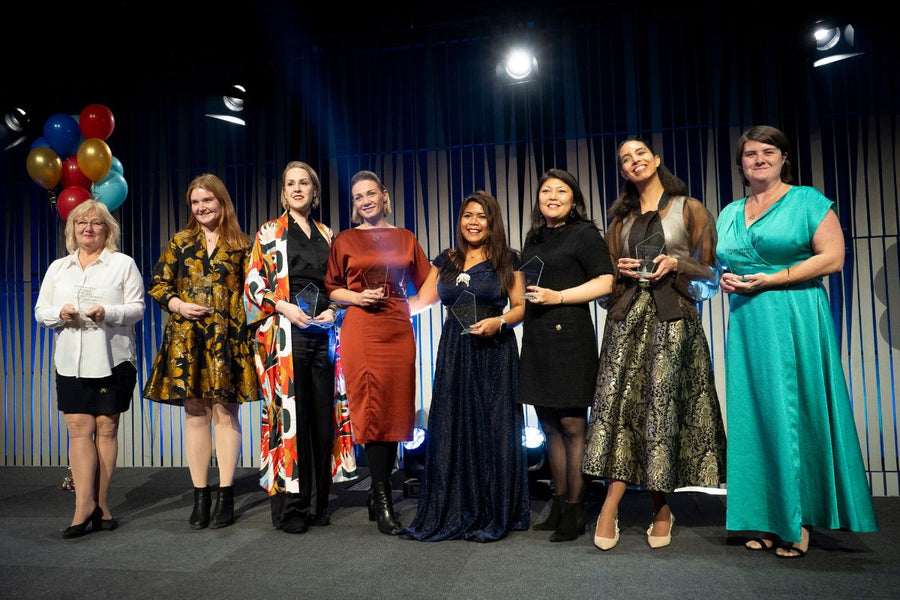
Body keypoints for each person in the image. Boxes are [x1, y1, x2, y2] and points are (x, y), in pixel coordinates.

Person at [717, 125, 878, 558]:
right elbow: (725, 263)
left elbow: (833, 257)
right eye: (750, 153)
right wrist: (727, 281)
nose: (759, 159)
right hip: (748, 323)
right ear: (741, 163)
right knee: (756, 418)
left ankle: (798, 520)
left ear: (784, 157)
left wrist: (773, 279)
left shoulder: (807, 201)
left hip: (795, 316)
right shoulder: (729, 212)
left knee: (795, 412)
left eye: (769, 151)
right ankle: (766, 517)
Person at [581, 139, 727, 551]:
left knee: (660, 412)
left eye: (640, 152)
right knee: (619, 407)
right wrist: (621, 270)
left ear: (656, 159)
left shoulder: (690, 208)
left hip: (674, 320)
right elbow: (607, 284)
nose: (634, 160)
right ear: (623, 172)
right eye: (625, 158)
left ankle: (662, 507)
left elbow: (714, 273)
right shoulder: (620, 221)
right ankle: (612, 500)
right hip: (626, 321)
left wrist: (677, 263)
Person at [402, 191, 530, 542]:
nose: (473, 222)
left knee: (495, 429)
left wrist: (499, 322)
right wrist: (374, 311)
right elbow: (418, 302)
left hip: (494, 351)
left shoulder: (508, 259)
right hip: (455, 352)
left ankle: (495, 509)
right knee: (453, 427)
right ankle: (458, 506)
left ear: (492, 223)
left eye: (481, 217)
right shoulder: (448, 259)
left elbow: (520, 308)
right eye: (467, 216)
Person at [144, 174, 258, 530]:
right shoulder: (179, 242)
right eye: (195, 202)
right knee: (195, 415)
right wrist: (178, 304)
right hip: (187, 338)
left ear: (221, 202)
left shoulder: (243, 244)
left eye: (207, 200)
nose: (201, 207)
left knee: (225, 414)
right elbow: (159, 285)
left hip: (228, 339)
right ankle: (200, 495)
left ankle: (225, 495)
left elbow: (253, 295)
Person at [245, 161, 350, 534]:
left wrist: (335, 311)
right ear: (284, 192)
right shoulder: (269, 232)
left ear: (315, 191)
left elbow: (339, 284)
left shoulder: (328, 233)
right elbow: (253, 284)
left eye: (304, 182)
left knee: (322, 420)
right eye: (290, 183)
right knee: (290, 422)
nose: (297, 188)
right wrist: (283, 306)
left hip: (323, 335)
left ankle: (318, 504)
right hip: (286, 336)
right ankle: (291, 509)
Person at [325, 170, 431, 535]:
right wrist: (356, 297)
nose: (365, 200)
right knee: (370, 409)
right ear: (354, 204)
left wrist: (408, 306)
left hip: (397, 330)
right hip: (361, 329)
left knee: (395, 408)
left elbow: (430, 281)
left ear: (384, 195)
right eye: (358, 197)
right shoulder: (345, 239)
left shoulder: (405, 238)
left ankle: (379, 491)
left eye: (371, 193)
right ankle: (382, 495)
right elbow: (332, 289)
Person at [34, 200, 144, 538]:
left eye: (95, 223)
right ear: (72, 230)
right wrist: (60, 314)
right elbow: (41, 311)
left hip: (113, 360)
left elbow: (137, 308)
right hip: (70, 362)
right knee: (79, 431)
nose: (88, 228)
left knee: (106, 431)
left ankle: (102, 502)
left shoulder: (122, 264)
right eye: (80, 223)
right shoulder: (58, 268)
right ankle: (83, 506)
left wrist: (108, 312)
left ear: (107, 229)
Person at [518, 168, 615, 542]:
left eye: (561, 191)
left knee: (574, 424)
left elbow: (605, 280)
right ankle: (559, 502)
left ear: (574, 199)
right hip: (538, 336)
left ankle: (577, 508)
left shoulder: (585, 233)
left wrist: (558, 296)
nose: (553, 196)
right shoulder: (535, 237)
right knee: (549, 426)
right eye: (546, 191)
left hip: (570, 335)